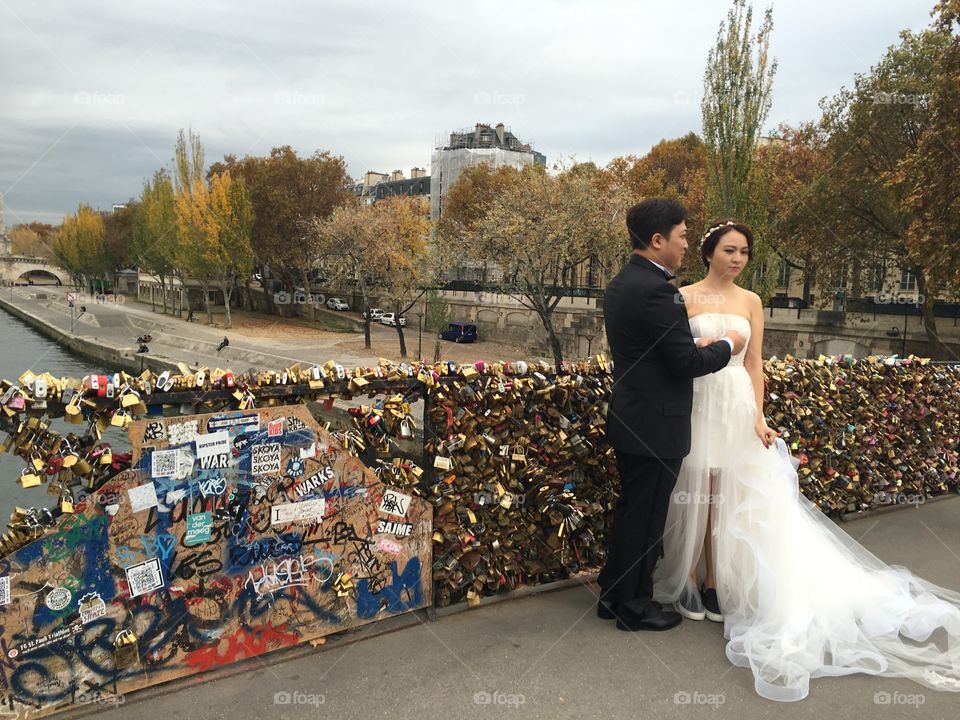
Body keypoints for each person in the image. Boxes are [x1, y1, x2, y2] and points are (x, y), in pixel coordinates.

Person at [654, 219, 960, 700]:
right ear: (709, 252)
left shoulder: (752, 302)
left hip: (734, 400)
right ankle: (690, 577)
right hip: (694, 401)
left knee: (730, 493)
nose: (738, 259)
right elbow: (671, 355)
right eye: (730, 250)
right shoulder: (683, 296)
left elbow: (754, 363)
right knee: (696, 488)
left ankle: (714, 583)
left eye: (745, 253)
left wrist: (759, 417)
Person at [598, 198, 746, 632]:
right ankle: (635, 607)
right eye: (681, 236)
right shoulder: (659, 291)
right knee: (646, 520)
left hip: (632, 415)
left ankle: (613, 594)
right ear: (658, 239)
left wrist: (691, 346)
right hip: (656, 423)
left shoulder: (624, 282)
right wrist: (729, 344)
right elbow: (686, 365)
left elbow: (657, 353)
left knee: (631, 512)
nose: (685, 244)